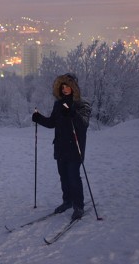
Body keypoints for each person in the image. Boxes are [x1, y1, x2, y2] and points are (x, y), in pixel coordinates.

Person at [32, 73, 91, 220]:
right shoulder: (58, 104)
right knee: (63, 176)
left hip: (75, 147)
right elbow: (52, 123)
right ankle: (67, 201)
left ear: (74, 87)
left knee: (73, 176)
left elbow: (83, 125)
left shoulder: (82, 104)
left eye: (68, 86)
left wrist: (71, 113)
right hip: (60, 147)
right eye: (62, 86)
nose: (64, 89)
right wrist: (39, 118)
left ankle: (78, 206)